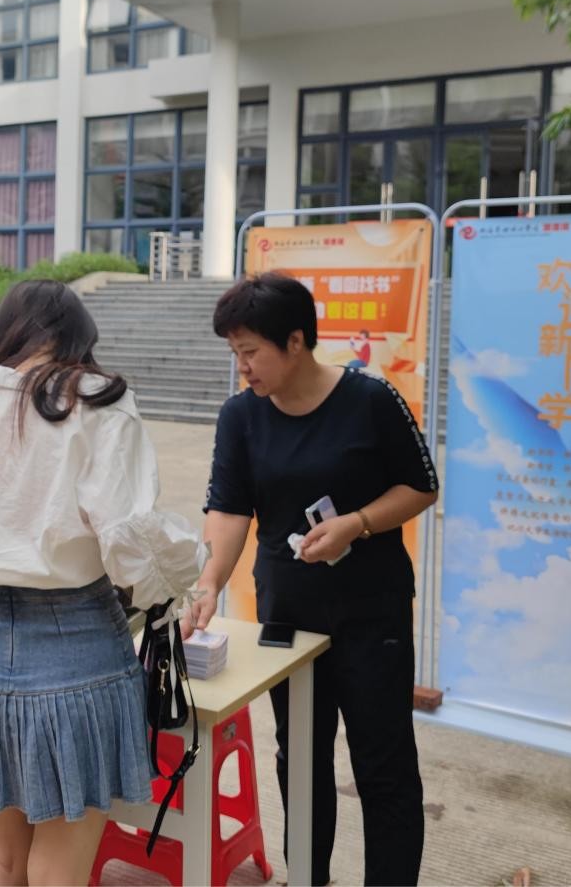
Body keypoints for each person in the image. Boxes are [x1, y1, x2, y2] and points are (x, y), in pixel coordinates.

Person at [0, 280, 205, 887]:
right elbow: (130, 541)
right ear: (79, 338)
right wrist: (181, 575)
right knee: (59, 867)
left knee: (6, 858)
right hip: (75, 642)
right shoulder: (97, 402)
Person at [183, 272, 439, 887]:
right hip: (289, 611)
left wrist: (358, 522)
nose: (243, 367)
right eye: (235, 353)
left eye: (251, 352)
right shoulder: (241, 416)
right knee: (299, 756)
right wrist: (210, 581)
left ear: (296, 341)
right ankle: (308, 879)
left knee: (383, 762)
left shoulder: (370, 399)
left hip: (371, 609)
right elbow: (229, 508)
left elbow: (421, 487)